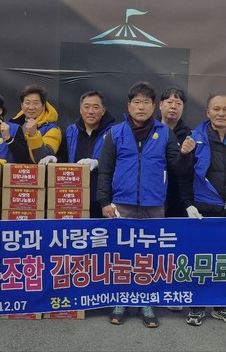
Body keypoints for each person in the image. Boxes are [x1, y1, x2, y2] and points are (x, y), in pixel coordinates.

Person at [97, 81, 181, 329]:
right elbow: (105, 171)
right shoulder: (115, 133)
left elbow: (177, 168)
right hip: (122, 204)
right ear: (128, 106)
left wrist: (186, 155)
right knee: (121, 254)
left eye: (146, 102)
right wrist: (104, 202)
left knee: (150, 255)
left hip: (154, 205)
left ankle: (146, 301)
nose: (141, 107)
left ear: (154, 107)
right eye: (136, 102)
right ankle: (121, 300)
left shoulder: (165, 133)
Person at [176, 93, 226, 328]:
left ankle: (223, 306)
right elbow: (183, 176)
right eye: (216, 109)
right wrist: (188, 204)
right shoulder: (195, 138)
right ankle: (198, 304)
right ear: (208, 112)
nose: (221, 113)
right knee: (201, 260)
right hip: (203, 211)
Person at [56, 90, 115, 218]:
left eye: (95, 107)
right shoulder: (70, 131)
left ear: (103, 110)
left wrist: (97, 162)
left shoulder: (113, 133)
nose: (91, 111)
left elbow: (118, 161)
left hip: (102, 199)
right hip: (73, 196)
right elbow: (63, 157)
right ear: (80, 110)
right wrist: (54, 160)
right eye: (86, 107)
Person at [158, 86, 192, 218]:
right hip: (152, 197)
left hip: (179, 199)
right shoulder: (149, 131)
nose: (173, 106)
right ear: (160, 105)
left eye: (178, 103)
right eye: (169, 102)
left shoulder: (190, 135)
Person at [11, 84, 62, 164]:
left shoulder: (53, 129)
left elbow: (42, 158)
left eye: (36, 103)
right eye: (27, 103)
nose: (31, 107)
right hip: (13, 171)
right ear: (22, 105)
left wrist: (33, 135)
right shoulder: (13, 126)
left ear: (43, 106)